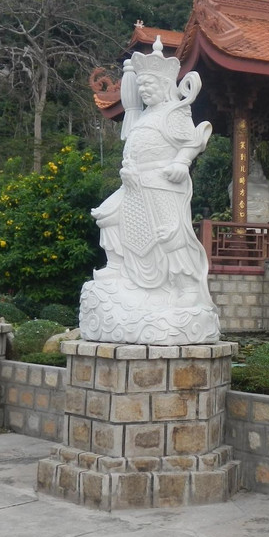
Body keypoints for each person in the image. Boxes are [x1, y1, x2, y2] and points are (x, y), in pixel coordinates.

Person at [79, 36, 220, 345]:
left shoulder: (175, 112)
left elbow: (195, 139)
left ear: (165, 84)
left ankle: (185, 287)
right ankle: (119, 269)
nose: (144, 90)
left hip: (162, 183)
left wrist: (182, 162)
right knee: (108, 216)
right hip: (134, 183)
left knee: (170, 235)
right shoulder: (144, 115)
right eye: (141, 86)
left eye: (149, 85)